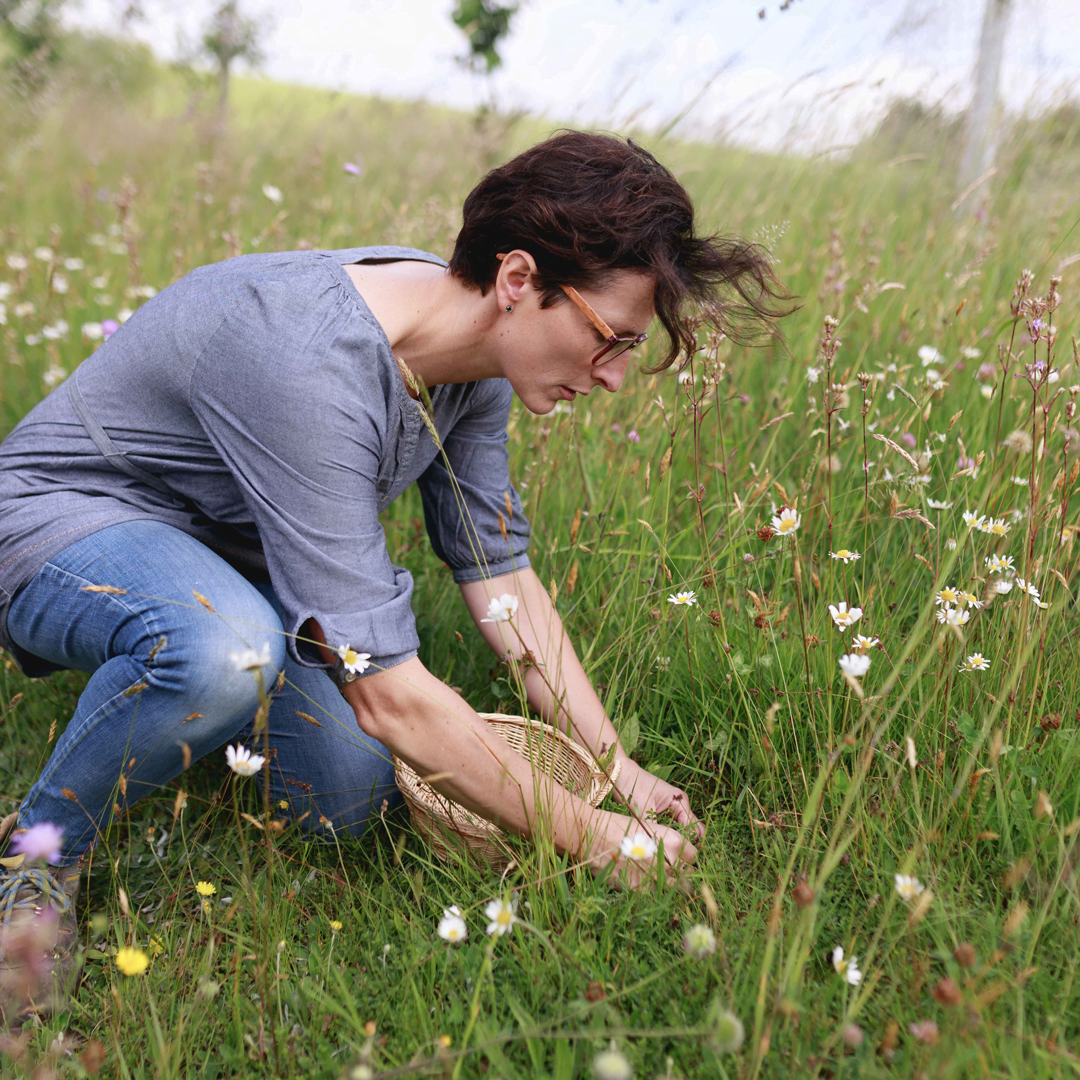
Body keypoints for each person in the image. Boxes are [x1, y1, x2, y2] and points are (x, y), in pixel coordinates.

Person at [0, 129, 785, 1021]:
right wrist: (594, 837)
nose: (612, 378)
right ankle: (36, 860)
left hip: (231, 563)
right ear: (520, 281)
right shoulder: (303, 357)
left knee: (342, 797)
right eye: (611, 339)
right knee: (226, 655)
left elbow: (500, 575)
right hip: (64, 519)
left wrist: (614, 765)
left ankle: (180, 699)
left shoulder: (477, 359)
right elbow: (389, 693)